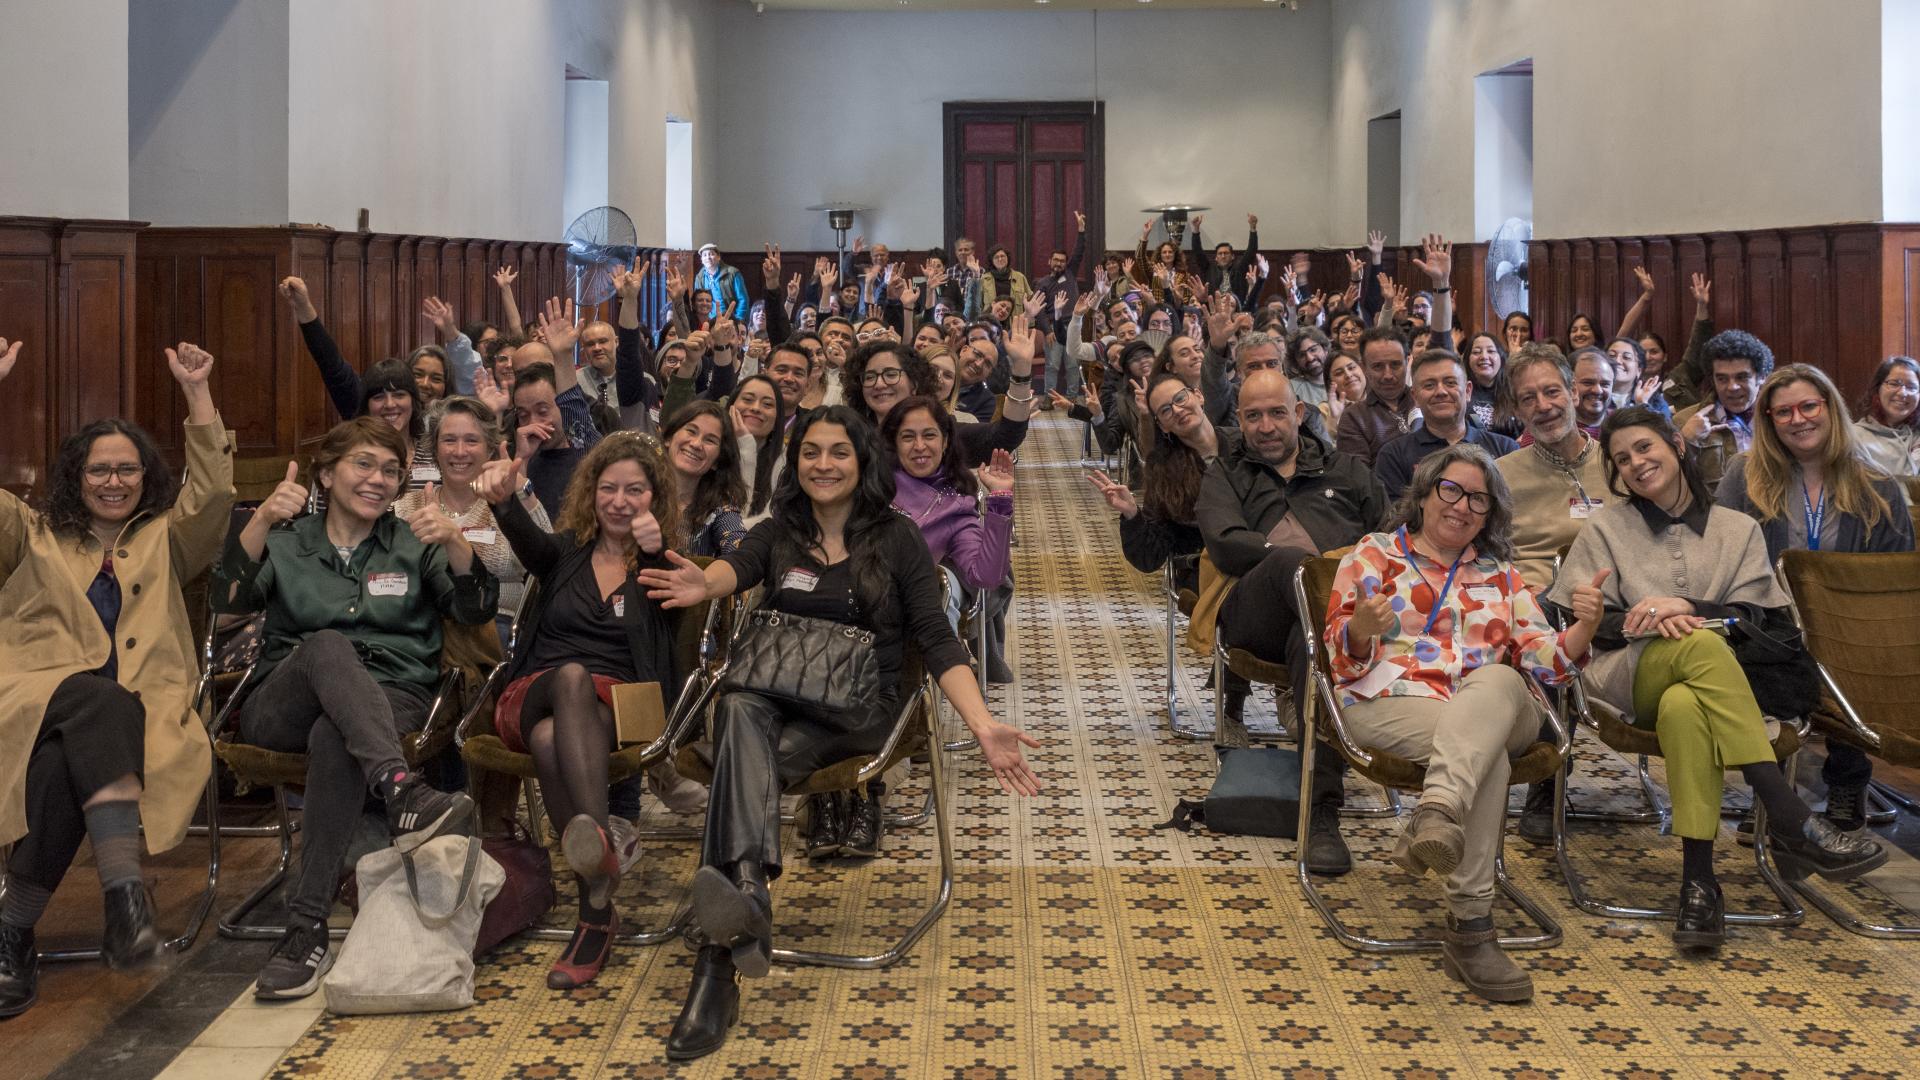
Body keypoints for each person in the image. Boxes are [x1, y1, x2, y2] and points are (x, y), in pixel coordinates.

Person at [639, 406, 1041, 1061]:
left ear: (861, 463)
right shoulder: (779, 532)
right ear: (795, 463)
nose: (823, 465)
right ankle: (738, 920)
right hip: (773, 701)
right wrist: (700, 579)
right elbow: (731, 570)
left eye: (838, 453)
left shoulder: (897, 538)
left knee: (739, 739)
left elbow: (937, 640)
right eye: (811, 453)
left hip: (860, 711)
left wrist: (984, 722)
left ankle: (724, 952)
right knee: (741, 709)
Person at [1550, 407, 1886, 951]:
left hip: (1714, 681)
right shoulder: (1606, 527)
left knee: (1687, 703)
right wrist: (1651, 619)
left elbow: (1763, 619)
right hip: (1628, 674)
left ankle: (1699, 884)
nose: (1635, 463)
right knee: (1697, 643)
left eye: (1644, 448)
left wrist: (1691, 606)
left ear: (1676, 447)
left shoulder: (1739, 528)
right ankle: (1787, 812)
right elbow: (1585, 622)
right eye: (1621, 459)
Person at [212, 416, 497, 999]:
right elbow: (224, 604)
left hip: (392, 698)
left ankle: (304, 928)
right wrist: (262, 518)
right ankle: (403, 791)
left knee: (334, 737)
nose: (379, 479)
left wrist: (455, 541)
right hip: (281, 702)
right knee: (325, 645)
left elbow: (472, 611)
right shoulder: (289, 540)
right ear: (325, 473)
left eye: (391, 470)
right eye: (364, 464)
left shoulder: (414, 542)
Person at [0, 341, 234, 1017]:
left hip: (135, 715)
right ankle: (125, 904)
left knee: (61, 766)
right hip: (34, 699)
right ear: (76, 477)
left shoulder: (169, 537)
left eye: (127, 470)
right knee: (94, 702)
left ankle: (12, 932)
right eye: (99, 470)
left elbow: (216, 492)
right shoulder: (32, 535)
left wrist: (197, 393)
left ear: (145, 476)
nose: (113, 481)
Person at [1326, 444, 1601, 1002]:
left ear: (1491, 512)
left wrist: (1583, 630)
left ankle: (1435, 813)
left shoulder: (1500, 576)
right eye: (1450, 490)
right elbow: (1339, 661)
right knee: (1486, 755)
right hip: (1391, 701)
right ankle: (1470, 928)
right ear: (1424, 494)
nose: (1462, 506)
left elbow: (1546, 662)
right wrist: (1361, 630)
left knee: (1498, 682)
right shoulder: (1374, 556)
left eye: (1479, 498)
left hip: (1496, 705)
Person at [471, 434, 685, 989]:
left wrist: (658, 552)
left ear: (654, 499)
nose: (619, 501)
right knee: (569, 679)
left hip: (621, 706)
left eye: (634, 491)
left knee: (550, 740)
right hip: (535, 690)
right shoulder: (564, 552)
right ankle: (602, 845)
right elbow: (524, 540)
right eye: (608, 489)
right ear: (590, 495)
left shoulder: (664, 565)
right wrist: (503, 498)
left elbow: (677, 631)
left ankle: (595, 905)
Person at [1198, 369, 1389, 876]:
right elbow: (1224, 541)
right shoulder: (1227, 472)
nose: (1265, 425)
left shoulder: (1345, 470)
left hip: (1333, 623)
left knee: (1313, 648)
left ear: (1299, 414)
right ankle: (1321, 606)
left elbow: (1388, 539)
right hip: (1252, 612)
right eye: (1253, 415)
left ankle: (1320, 809)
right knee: (1289, 564)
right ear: (1238, 419)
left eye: (1276, 412)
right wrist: (1313, 564)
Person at [1715, 365, 1914, 830]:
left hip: (1852, 629)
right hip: (1769, 624)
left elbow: (1895, 580)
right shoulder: (1744, 478)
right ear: (1768, 420)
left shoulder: (1878, 486)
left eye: (1808, 406)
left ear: (1829, 409)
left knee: (1863, 657)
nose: (1798, 419)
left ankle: (1849, 782)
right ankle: (1773, 790)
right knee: (1753, 655)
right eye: (1783, 411)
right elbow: (1719, 555)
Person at [1492, 344, 1615, 842]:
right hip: (1534, 603)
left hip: (1611, 601)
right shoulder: (1503, 474)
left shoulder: (1617, 462)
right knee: (1543, 625)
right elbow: (1490, 555)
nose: (1543, 406)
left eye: (1551, 392)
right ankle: (1547, 785)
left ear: (1572, 392)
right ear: (1516, 410)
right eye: (1528, 399)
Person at [394, 397, 548, 647]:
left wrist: (521, 488)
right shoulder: (405, 507)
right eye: (449, 440)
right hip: (419, 628)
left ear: (489, 449)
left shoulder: (505, 507)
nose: (459, 451)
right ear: (435, 448)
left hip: (494, 628)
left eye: (471, 440)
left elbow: (548, 562)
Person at [1373, 350, 1517, 501]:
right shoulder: (1393, 456)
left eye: (1450, 383)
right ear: (1415, 397)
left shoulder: (1506, 449)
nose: (1441, 392)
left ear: (1468, 391)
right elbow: (1396, 519)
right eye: (1429, 385)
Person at [1673, 329, 1771, 492]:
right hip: (1716, 514)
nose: (1732, 387)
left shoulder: (1779, 418)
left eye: (1742, 377)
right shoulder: (1683, 421)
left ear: (1761, 377)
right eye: (1722, 379)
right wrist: (1687, 441)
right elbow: (1671, 483)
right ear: (1712, 380)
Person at [661, 401, 747, 557]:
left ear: (716, 461)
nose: (696, 444)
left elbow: (741, 552)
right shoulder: (636, 491)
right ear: (668, 438)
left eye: (710, 440)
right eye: (691, 431)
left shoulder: (719, 511)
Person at [1335, 325, 1418, 467]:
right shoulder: (1354, 418)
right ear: (1364, 367)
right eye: (1378, 367)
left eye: (1395, 365)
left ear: (1407, 362)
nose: (1388, 375)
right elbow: (1358, 479)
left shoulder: (1425, 401)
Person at [728, 373, 787, 525]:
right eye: (747, 400)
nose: (755, 408)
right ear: (731, 407)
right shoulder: (710, 450)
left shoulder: (785, 460)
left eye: (767, 404)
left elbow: (771, 519)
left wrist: (746, 447)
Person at [1852, 355, 1920, 477]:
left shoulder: (1917, 436)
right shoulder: (1853, 437)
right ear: (1877, 389)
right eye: (1894, 384)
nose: (1903, 393)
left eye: (1911, 387)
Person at [695, 244, 750, 322]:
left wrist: (738, 321)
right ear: (701, 260)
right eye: (704, 255)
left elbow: (743, 299)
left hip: (731, 320)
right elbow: (697, 302)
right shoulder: (699, 277)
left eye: (711, 254)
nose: (708, 257)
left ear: (718, 257)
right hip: (710, 321)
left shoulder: (732, 273)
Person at [1320, 350, 1368, 431]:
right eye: (1339, 373)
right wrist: (1334, 419)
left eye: (1351, 368)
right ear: (1330, 383)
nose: (1348, 375)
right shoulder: (1325, 409)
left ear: (1362, 368)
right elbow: (1327, 442)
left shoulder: (1382, 397)